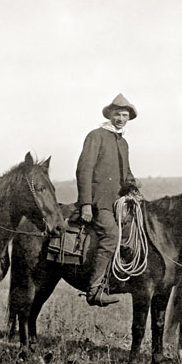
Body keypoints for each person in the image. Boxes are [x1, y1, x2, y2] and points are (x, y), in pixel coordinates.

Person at [76, 94, 141, 306]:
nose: (121, 118)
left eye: (124, 115)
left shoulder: (123, 143)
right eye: (117, 114)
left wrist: (133, 185)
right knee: (112, 234)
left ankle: (124, 278)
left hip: (118, 201)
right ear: (110, 115)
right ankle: (94, 289)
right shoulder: (96, 136)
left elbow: (126, 172)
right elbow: (84, 170)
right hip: (99, 201)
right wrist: (86, 203)